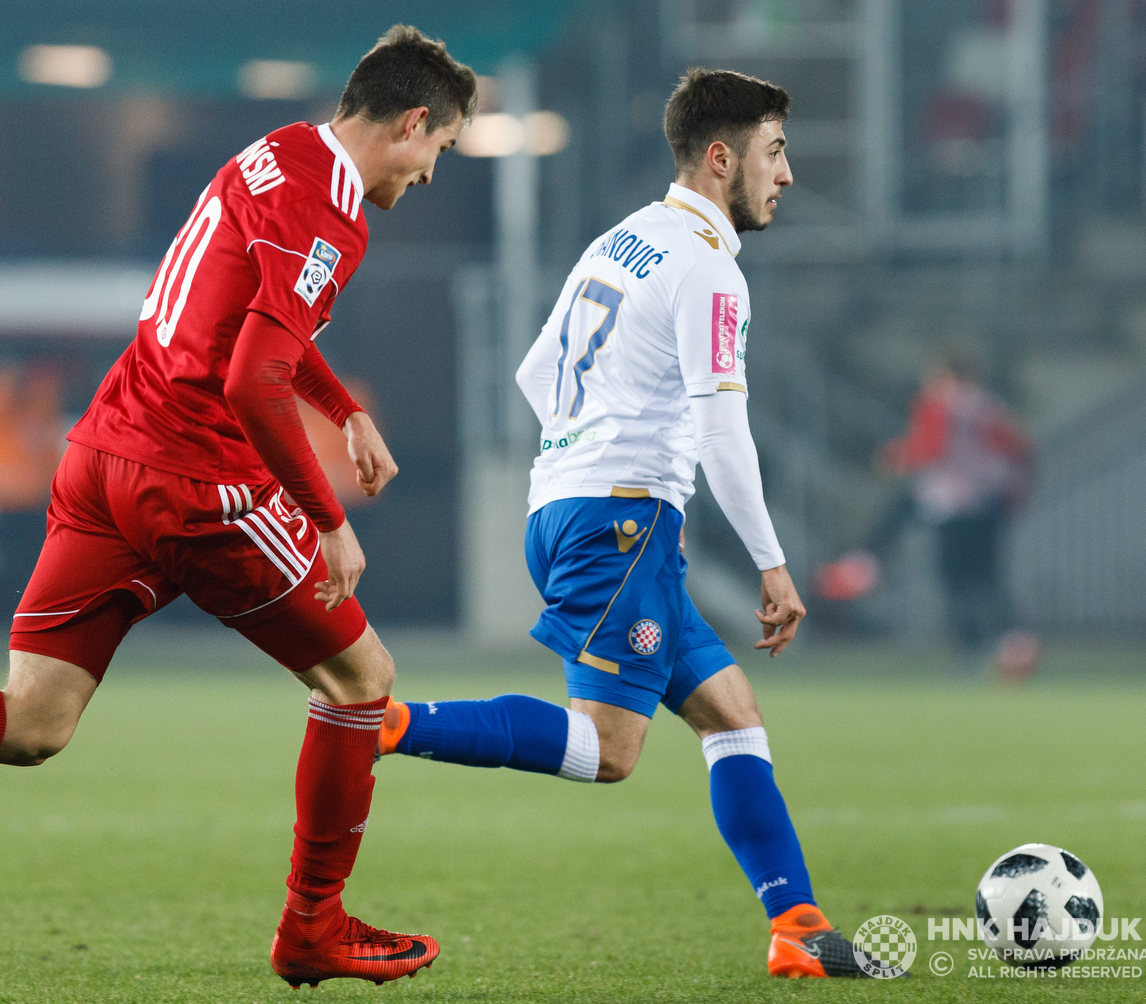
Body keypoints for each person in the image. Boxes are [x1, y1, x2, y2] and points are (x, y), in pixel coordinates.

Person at [0, 24, 475, 990]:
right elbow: (250, 376)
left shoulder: (274, 153)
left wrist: (342, 404)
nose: (434, 176)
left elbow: (241, 318)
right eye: (441, 151)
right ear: (410, 123)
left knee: (33, 721)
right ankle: (312, 925)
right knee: (364, 680)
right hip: (196, 479)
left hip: (105, 450)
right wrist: (324, 512)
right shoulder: (335, 215)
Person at [375, 69, 898, 979]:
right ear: (721, 157)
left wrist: (609, 465)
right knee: (608, 751)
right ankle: (386, 723)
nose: (786, 175)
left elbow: (538, 375)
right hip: (615, 526)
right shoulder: (707, 266)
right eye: (775, 153)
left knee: (732, 713)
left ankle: (799, 928)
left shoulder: (621, 241)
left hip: (585, 510)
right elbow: (723, 425)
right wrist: (771, 563)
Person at [875, 345, 1036, 677]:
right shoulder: (988, 406)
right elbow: (1020, 448)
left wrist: (898, 456)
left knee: (954, 580)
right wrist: (1018, 491)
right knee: (988, 576)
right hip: (990, 501)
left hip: (950, 503)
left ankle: (969, 651)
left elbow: (931, 447)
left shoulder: (938, 403)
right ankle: (1015, 641)